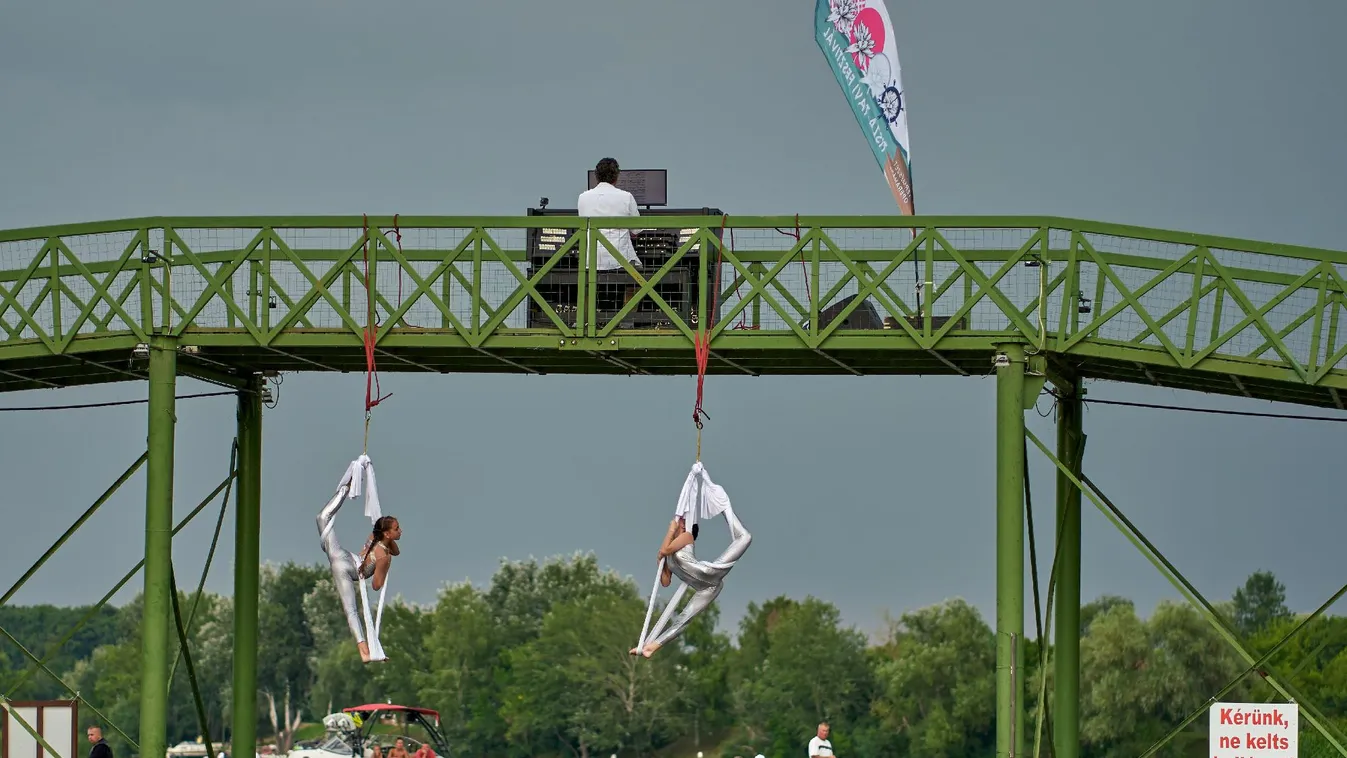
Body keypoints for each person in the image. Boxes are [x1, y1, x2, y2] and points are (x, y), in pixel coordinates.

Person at [630, 508, 751, 658]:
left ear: (684, 526)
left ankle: (724, 507)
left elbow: (666, 548)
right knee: (683, 620)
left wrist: (670, 531)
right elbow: (666, 582)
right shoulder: (668, 556)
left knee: (745, 538)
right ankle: (652, 647)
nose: (678, 522)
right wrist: (661, 564)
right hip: (709, 588)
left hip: (710, 572)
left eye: (682, 521)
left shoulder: (687, 537)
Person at [317, 485, 402, 663]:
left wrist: (388, 544)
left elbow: (395, 549)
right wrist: (384, 568)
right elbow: (376, 586)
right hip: (347, 569)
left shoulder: (375, 536)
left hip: (344, 556)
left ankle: (343, 490)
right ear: (387, 533)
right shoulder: (383, 557)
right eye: (396, 528)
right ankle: (364, 652)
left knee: (322, 518)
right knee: (352, 611)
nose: (400, 530)